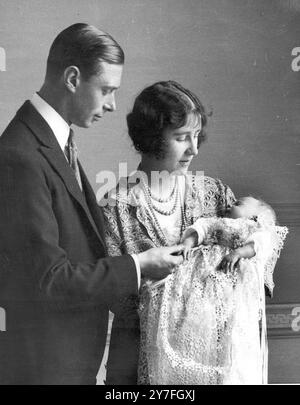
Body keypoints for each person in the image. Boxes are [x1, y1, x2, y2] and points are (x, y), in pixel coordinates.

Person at [0, 24, 184, 385]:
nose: (113, 104)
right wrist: (138, 265)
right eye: (106, 90)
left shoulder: (52, 142)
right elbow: (48, 280)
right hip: (44, 370)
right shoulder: (20, 156)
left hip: (67, 364)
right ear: (72, 78)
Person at [103, 81, 287, 385]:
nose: (194, 149)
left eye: (197, 136)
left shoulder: (215, 193)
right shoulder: (117, 207)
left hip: (213, 363)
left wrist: (242, 259)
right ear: (151, 138)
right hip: (139, 367)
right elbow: (117, 298)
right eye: (181, 138)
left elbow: (259, 261)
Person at [147, 196, 288, 384]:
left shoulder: (255, 229)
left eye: (238, 204)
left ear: (255, 216)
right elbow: (199, 230)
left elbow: (257, 245)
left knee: (230, 325)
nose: (230, 204)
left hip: (230, 277)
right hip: (202, 275)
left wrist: (238, 252)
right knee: (199, 315)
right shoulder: (217, 222)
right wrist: (188, 244)